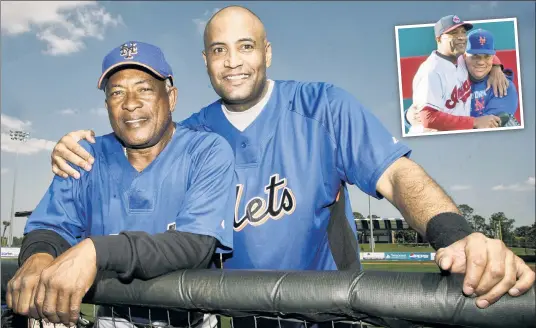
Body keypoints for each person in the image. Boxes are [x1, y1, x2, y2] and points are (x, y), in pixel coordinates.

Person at [48, 5, 535, 327]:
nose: (233, 61)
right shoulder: (187, 136)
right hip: (238, 316)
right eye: (219, 50)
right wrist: (84, 146)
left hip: (325, 315)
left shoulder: (323, 106)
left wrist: (456, 237)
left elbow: (398, 176)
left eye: (245, 46)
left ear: (267, 52)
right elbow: (135, 154)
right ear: (205, 61)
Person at [6, 41, 236, 328]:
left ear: (171, 97)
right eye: (117, 92)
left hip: (188, 321)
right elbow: (52, 226)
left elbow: (195, 244)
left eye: (144, 88)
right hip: (111, 319)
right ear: (107, 106)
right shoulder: (85, 154)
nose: (130, 103)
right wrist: (38, 256)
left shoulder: (207, 150)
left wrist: (97, 251)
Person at [408, 15, 510, 134]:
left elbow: (482, 55)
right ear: (438, 39)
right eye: (454, 33)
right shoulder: (431, 71)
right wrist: (475, 122)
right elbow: (428, 118)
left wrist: (496, 67)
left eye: (463, 32)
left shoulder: (460, 58)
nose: (461, 37)